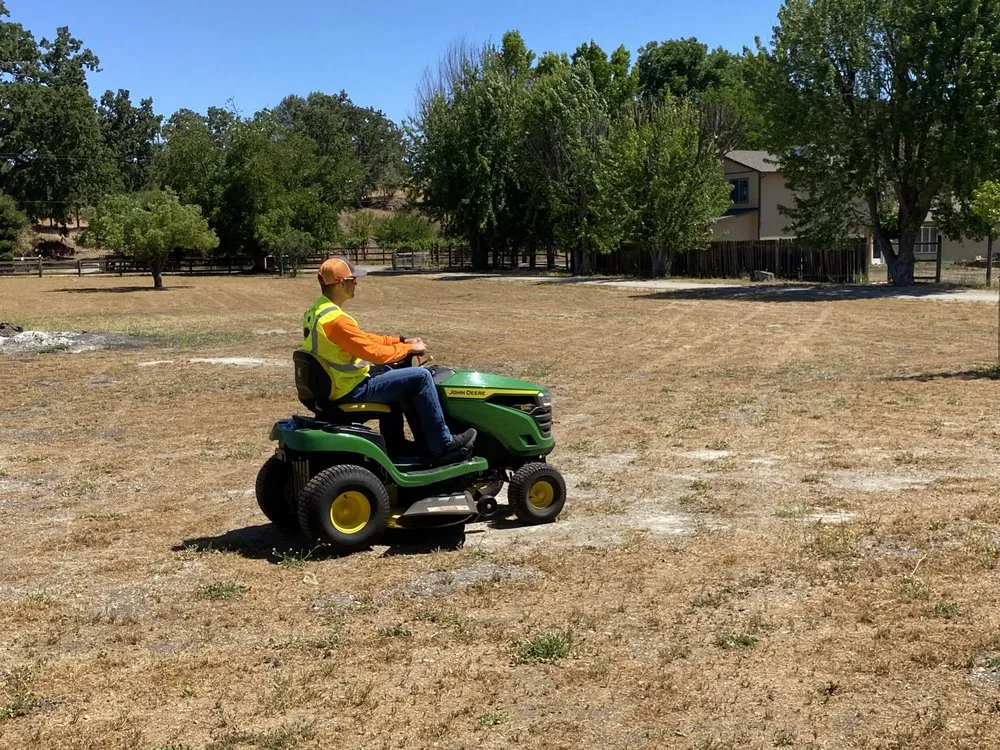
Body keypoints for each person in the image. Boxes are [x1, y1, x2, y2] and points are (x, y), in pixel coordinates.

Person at [302, 257, 476, 464]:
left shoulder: (318, 310)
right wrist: (409, 348)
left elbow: (364, 339)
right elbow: (373, 353)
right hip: (349, 390)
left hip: (335, 386)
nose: (356, 282)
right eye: (352, 279)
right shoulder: (337, 321)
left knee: (388, 372)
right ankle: (443, 444)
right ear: (341, 283)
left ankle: (395, 445)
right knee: (420, 377)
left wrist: (401, 341)